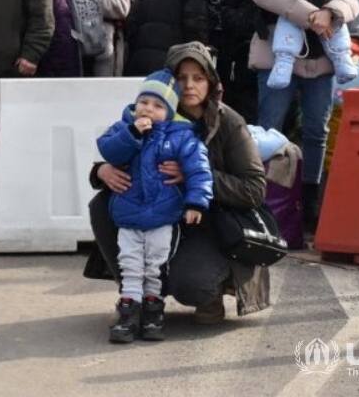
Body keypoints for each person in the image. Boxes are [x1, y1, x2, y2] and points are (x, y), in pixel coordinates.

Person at [87, 42, 269, 323]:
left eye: (198, 78)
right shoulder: (148, 114)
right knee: (102, 204)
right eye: (181, 78)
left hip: (208, 223)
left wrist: (194, 177)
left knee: (192, 285)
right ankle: (132, 295)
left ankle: (214, 291)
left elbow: (254, 189)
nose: (189, 86)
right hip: (158, 213)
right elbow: (120, 148)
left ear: (210, 82)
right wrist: (102, 170)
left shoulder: (229, 122)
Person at [244, 0, 359, 230]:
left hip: (321, 62)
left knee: (317, 131)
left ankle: (310, 200)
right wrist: (315, 15)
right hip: (275, 58)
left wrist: (334, 12)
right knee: (269, 129)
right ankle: (267, 199)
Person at [97, 70, 213, 343]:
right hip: (129, 216)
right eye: (145, 102)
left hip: (163, 217)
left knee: (156, 266)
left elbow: (199, 170)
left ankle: (153, 312)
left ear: (170, 112)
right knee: (130, 264)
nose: (149, 109)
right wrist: (131, 134)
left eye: (159, 105)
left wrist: (195, 201)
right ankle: (128, 313)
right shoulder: (122, 127)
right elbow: (109, 151)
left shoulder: (182, 136)